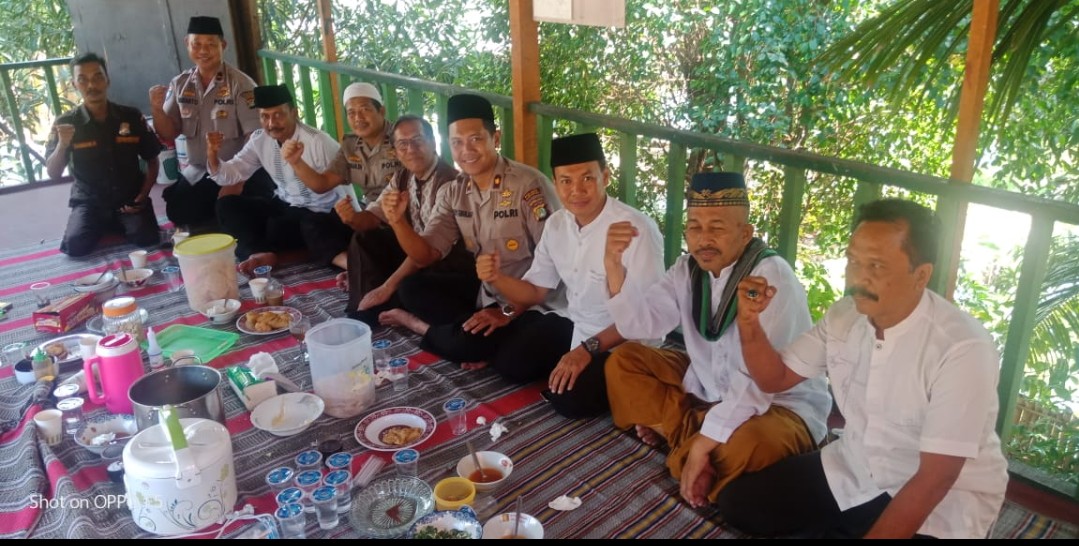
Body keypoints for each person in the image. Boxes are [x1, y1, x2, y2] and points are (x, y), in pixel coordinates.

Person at [719, 198, 1008, 539]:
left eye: (876, 266)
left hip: (940, 501)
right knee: (739, 505)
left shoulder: (962, 348)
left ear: (921, 275)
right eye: (853, 261)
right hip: (854, 466)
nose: (858, 277)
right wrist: (749, 324)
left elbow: (936, 478)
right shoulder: (845, 317)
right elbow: (774, 379)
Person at [602, 172, 831, 508]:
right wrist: (613, 264)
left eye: (718, 228)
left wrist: (702, 444)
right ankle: (702, 454)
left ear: (745, 233)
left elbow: (760, 383)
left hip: (778, 406)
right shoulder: (686, 269)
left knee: (751, 443)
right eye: (695, 227)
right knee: (623, 363)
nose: (704, 239)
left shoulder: (769, 277)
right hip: (707, 390)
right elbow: (641, 324)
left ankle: (686, 447)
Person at [475, 133, 664, 418]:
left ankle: (638, 386)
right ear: (555, 183)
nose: (576, 190)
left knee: (570, 400)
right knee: (510, 364)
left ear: (606, 177)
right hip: (576, 324)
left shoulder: (635, 228)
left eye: (587, 178)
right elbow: (537, 291)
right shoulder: (557, 224)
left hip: (627, 343)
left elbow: (645, 320)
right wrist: (495, 278)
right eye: (565, 181)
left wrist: (586, 351)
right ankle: (571, 367)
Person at [378, 93, 564, 381]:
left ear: (496, 138)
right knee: (411, 287)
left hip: (536, 304)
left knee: (513, 366)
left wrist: (507, 312)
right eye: (456, 142)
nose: (466, 150)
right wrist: (397, 221)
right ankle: (472, 340)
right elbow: (425, 254)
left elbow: (556, 266)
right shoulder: (455, 190)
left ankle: (424, 329)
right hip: (487, 295)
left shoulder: (528, 186)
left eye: (476, 139)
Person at [322, 114, 473, 326]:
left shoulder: (449, 181)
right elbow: (372, 218)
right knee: (364, 238)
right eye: (403, 144)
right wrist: (351, 218)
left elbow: (427, 254)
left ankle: (380, 307)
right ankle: (364, 307)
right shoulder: (402, 177)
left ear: (432, 142)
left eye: (417, 140)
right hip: (415, 253)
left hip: (443, 263)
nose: (410, 149)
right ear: (395, 151)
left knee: (408, 288)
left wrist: (387, 286)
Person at [208, 84, 351, 274]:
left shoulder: (318, 141)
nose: (271, 123)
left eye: (278, 115)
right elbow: (231, 174)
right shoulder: (260, 139)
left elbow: (345, 188)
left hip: (319, 213)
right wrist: (212, 154)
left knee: (283, 229)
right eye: (264, 116)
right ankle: (258, 255)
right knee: (227, 205)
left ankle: (279, 254)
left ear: (294, 112)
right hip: (284, 205)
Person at [149, 15, 273, 232]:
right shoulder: (180, 84)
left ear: (222, 45)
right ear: (187, 43)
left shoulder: (241, 84)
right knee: (177, 211)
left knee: (238, 204)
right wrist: (157, 110)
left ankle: (229, 218)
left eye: (210, 45)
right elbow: (168, 132)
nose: (203, 51)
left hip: (236, 169)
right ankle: (221, 219)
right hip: (199, 170)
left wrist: (236, 180)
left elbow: (255, 137)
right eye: (197, 44)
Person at [45, 53, 161, 257]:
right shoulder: (65, 122)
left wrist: (143, 196)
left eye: (98, 77)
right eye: (83, 79)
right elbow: (53, 173)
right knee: (75, 246)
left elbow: (152, 158)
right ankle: (104, 222)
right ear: (74, 84)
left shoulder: (131, 116)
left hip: (129, 198)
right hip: (90, 200)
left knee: (147, 239)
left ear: (108, 80)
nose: (92, 85)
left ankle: (117, 223)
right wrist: (63, 145)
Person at [285, 82, 405, 272]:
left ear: (381, 111)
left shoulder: (402, 139)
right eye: (351, 113)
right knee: (313, 223)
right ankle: (352, 266)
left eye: (365, 110)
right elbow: (322, 184)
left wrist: (357, 219)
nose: (358, 118)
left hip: (399, 219)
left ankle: (364, 268)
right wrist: (296, 162)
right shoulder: (351, 145)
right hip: (367, 215)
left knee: (370, 239)